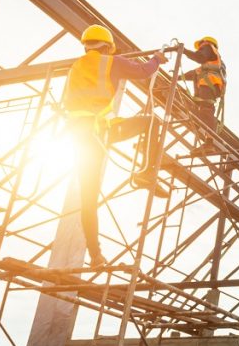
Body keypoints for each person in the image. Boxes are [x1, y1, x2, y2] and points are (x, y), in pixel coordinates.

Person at [63, 24, 169, 267]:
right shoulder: (111, 61)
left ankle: (95, 256)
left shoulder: (75, 66)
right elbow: (143, 71)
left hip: (79, 135)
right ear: (108, 46)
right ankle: (147, 172)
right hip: (101, 131)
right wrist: (157, 59)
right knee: (152, 122)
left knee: (88, 200)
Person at [181, 35, 226, 132]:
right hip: (211, 85)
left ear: (205, 42)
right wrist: (178, 77)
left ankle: (210, 138)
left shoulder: (208, 47)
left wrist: (183, 50)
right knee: (203, 107)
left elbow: (199, 57)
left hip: (209, 83)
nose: (200, 49)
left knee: (206, 109)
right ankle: (200, 128)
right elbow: (193, 73)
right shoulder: (210, 65)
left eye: (201, 47)